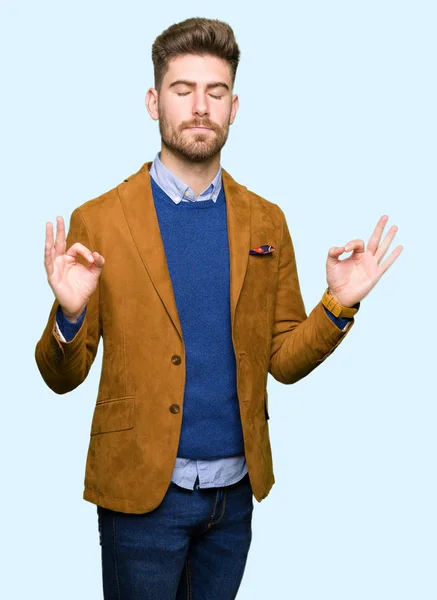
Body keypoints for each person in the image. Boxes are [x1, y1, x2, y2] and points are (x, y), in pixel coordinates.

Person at [35, 17, 403, 600]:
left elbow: (282, 358)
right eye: (183, 91)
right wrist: (69, 316)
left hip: (234, 500)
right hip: (139, 496)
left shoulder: (266, 220)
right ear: (154, 102)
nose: (200, 107)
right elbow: (63, 377)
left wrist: (338, 304)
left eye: (216, 91)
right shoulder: (99, 220)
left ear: (235, 106)